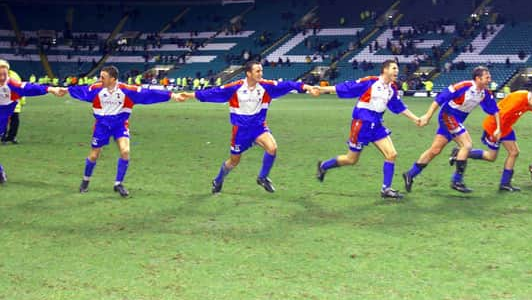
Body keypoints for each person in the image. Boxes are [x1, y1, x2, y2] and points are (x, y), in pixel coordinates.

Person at [181, 61, 317, 195]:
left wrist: (306, 87)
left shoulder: (266, 86)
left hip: (259, 128)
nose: (261, 73)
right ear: (248, 73)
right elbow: (214, 92)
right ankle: (218, 180)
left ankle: (262, 178)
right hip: (240, 131)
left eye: (261, 71)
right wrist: (192, 95)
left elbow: (287, 85)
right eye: (257, 71)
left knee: (272, 148)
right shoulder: (236, 87)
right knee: (234, 161)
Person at [66, 65, 184, 197]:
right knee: (94, 155)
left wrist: (171, 95)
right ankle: (85, 181)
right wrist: (63, 90)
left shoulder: (126, 90)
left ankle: (118, 184)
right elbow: (81, 91)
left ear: (113, 79)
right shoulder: (96, 88)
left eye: (103, 77)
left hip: (120, 125)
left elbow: (148, 93)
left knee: (125, 151)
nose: (100, 79)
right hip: (101, 126)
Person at [315, 60, 421, 199]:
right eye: (394, 68)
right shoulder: (371, 82)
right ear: (385, 70)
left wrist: (415, 119)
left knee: (392, 154)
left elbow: (398, 106)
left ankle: (386, 189)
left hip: (376, 124)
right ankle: (323, 166)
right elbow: (348, 87)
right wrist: (322, 89)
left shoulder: (392, 88)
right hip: (361, 123)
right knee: (351, 159)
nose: (397, 71)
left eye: (397, 69)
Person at [403, 66, 501, 194]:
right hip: (448, 116)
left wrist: (498, 127)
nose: (490, 80)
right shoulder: (463, 86)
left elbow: (495, 110)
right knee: (467, 145)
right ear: (478, 78)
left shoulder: (485, 93)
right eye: (487, 77)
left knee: (435, 150)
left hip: (456, 120)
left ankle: (410, 174)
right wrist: (427, 116)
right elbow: (439, 99)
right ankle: (456, 181)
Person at [452, 91, 532, 191]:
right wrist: (498, 129)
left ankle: (505, 183)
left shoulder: (529, 101)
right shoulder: (519, 100)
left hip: (505, 128)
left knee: (514, 152)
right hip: (494, 127)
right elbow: (501, 113)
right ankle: (460, 153)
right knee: (491, 157)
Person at [0, 59, 66, 184]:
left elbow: (31, 88)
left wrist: (51, 89)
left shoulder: (12, 85)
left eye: (5, 74)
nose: (3, 77)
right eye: (0, 74)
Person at [2, 68, 25, 144]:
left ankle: (12, 137)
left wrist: (22, 101)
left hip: (15, 103)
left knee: (15, 121)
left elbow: (20, 87)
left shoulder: (14, 75)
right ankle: (3, 137)